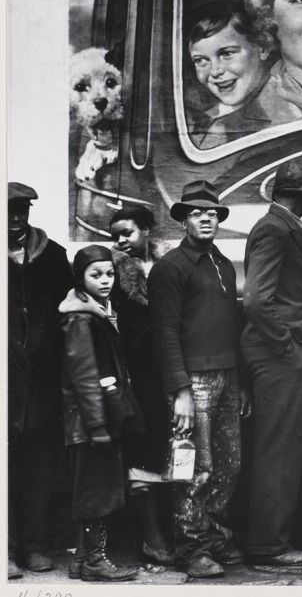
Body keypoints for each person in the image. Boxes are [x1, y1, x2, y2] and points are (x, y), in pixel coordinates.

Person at [149, 179, 250, 579]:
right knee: (194, 467)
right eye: (196, 212)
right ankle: (191, 548)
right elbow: (165, 333)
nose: (206, 218)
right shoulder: (170, 268)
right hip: (194, 381)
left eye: (212, 213)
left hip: (227, 375)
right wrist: (180, 392)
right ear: (183, 221)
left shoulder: (222, 263)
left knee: (230, 465)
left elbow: (231, 327)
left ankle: (217, 538)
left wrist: (240, 381)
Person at [240, 159, 302, 567]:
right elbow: (256, 298)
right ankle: (268, 543)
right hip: (279, 355)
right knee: (279, 450)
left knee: (282, 448)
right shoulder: (275, 228)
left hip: (284, 352)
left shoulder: (287, 226)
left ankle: (271, 538)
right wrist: (287, 346)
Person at [60, 245, 142, 582]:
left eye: (110, 273)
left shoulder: (96, 312)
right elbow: (83, 376)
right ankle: (95, 561)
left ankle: (82, 560)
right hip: (91, 422)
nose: (106, 280)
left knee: (94, 487)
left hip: (94, 420)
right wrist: (96, 425)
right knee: (97, 490)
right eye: (96, 275)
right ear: (80, 278)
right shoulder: (80, 318)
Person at [8, 182, 73, 579]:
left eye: (22, 211)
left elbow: (68, 309)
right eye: (8, 212)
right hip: (6, 384)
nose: (16, 220)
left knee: (38, 465)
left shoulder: (53, 256)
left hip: (43, 383)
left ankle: (32, 545)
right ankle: (5, 549)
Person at [108, 205, 175, 566]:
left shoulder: (167, 267)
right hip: (139, 379)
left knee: (173, 454)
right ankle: (152, 537)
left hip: (171, 376)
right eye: (115, 234)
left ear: (147, 231)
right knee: (143, 453)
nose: (121, 241)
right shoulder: (115, 276)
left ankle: (171, 531)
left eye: (128, 232)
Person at [184, 0, 273, 148]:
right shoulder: (203, 119)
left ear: (263, 47)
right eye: (200, 60)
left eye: (226, 54)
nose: (215, 71)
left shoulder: (282, 110)